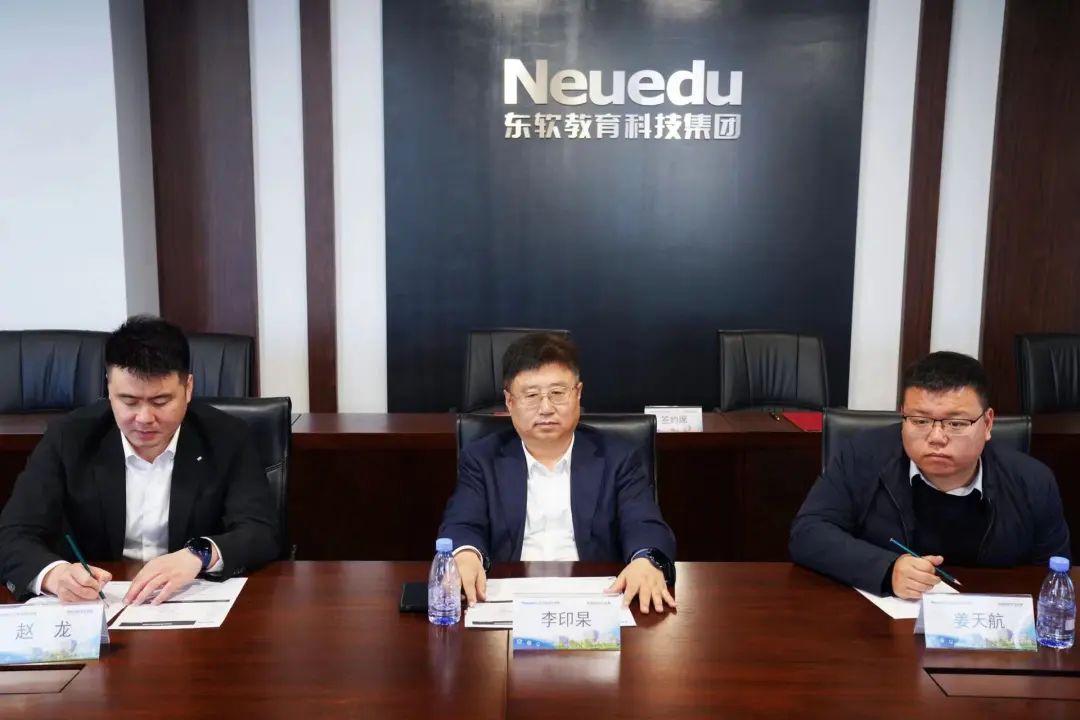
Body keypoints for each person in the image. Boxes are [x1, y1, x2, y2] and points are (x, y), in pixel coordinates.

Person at [0, 316, 279, 604]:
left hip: (190, 600)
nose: (144, 418)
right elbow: (13, 534)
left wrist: (198, 554)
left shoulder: (226, 437)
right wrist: (55, 576)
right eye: (129, 401)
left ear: (188, 388)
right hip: (99, 605)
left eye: (161, 401)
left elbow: (260, 531)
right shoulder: (69, 437)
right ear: (109, 388)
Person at [790, 351, 1070, 599]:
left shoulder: (1032, 481)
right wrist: (886, 569)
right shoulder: (862, 457)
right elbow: (808, 533)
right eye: (920, 421)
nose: (936, 437)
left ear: (987, 424)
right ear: (903, 416)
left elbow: (1055, 577)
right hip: (881, 623)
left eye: (956, 423)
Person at [439, 333, 677, 613]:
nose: (546, 408)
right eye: (531, 395)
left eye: (557, 393)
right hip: (506, 601)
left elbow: (644, 523)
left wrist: (646, 560)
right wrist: (466, 555)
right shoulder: (482, 458)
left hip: (598, 602)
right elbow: (463, 523)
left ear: (578, 393)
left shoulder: (618, 457)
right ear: (509, 402)